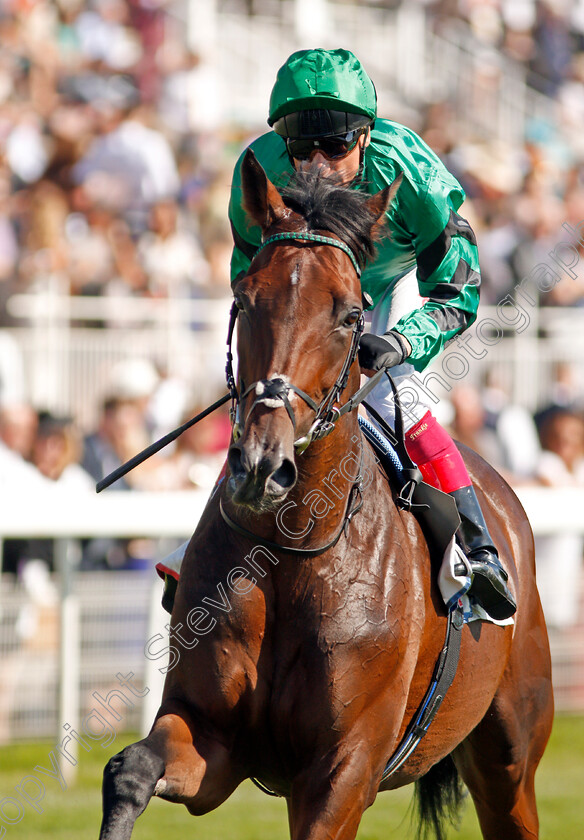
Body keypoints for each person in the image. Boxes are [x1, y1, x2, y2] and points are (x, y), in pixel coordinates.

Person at [226, 48, 516, 621]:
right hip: (304, 294)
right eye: (300, 146)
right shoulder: (255, 171)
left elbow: (458, 291)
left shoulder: (410, 173)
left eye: (335, 145)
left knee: (395, 396)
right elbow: (248, 278)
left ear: (366, 136)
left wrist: (403, 341)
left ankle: (478, 550)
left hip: (395, 285)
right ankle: (205, 550)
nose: (315, 163)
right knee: (261, 398)